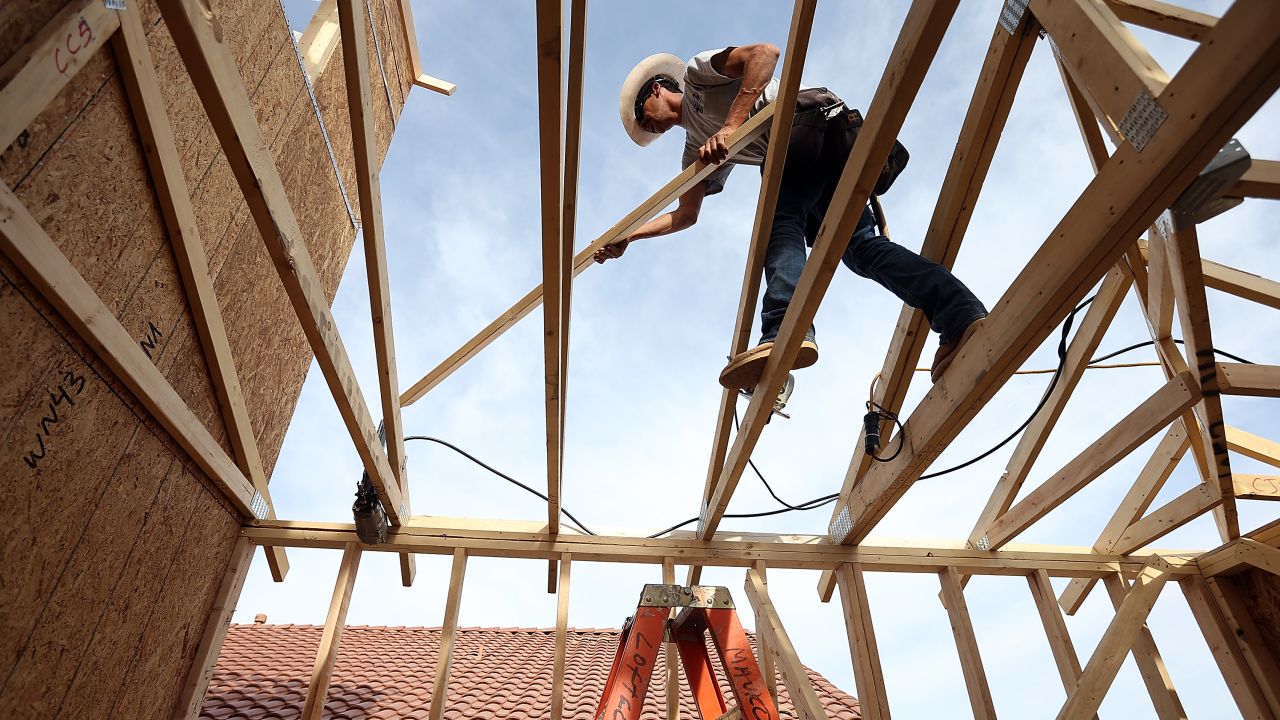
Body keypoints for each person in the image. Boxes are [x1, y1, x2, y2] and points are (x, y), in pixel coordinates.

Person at [594, 44, 988, 389]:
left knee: (779, 223)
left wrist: (731, 126)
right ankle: (959, 313)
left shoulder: (699, 74)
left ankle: (784, 327)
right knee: (861, 250)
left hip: (810, 124)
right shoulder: (695, 148)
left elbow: (765, 54)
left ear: (658, 89)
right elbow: (686, 214)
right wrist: (631, 236)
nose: (647, 126)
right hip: (812, 162)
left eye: (642, 116)